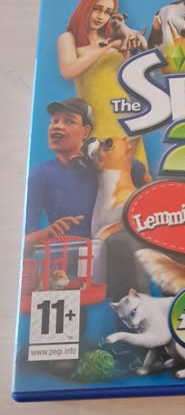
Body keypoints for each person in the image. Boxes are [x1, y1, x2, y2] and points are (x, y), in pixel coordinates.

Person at [25, 97, 150, 299]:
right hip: (68, 265)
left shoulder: (103, 160)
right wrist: (46, 233)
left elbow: (142, 176)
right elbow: (25, 240)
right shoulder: (40, 174)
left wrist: (98, 152)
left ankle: (135, 311)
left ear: (85, 131)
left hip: (111, 258)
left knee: (124, 242)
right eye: (54, 121)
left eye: (68, 121)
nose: (57, 126)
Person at [57, 0, 150, 173]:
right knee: (102, 174)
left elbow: (123, 74)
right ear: (85, 7)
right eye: (97, 9)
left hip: (123, 111)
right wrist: (108, 47)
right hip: (96, 115)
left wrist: (126, 51)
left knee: (136, 173)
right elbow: (68, 71)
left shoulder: (111, 38)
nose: (102, 16)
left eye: (108, 12)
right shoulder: (68, 38)